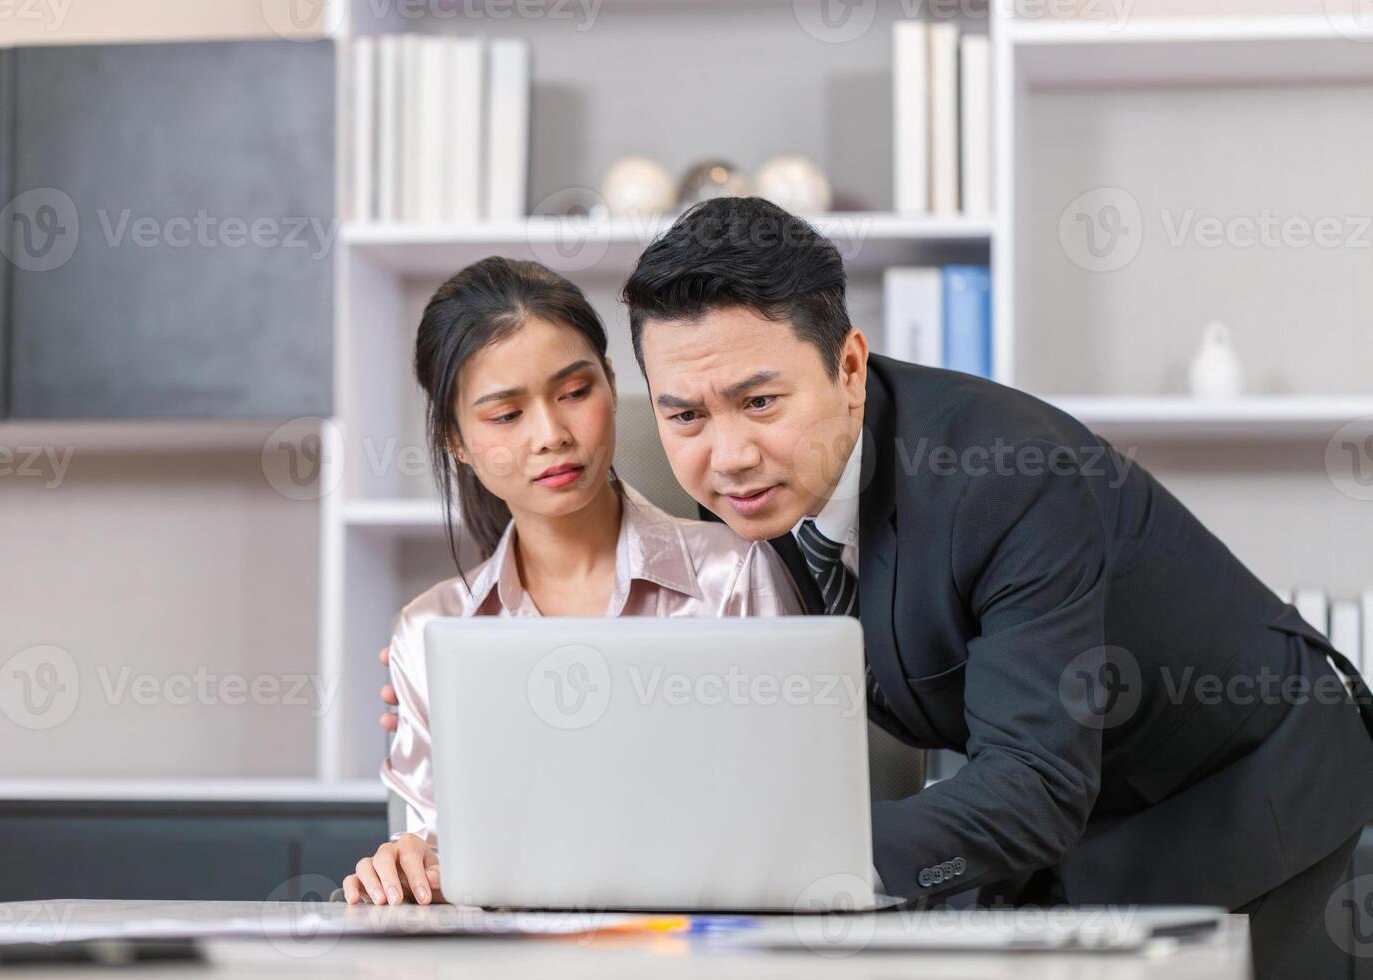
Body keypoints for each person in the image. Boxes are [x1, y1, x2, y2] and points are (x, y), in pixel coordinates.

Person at [608, 195, 1373, 979]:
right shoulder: (747, 479)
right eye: (687, 416)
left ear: (848, 368)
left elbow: (1037, 783)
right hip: (1070, 784)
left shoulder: (1007, 477)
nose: (728, 454)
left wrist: (793, 861)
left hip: (1248, 780)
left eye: (759, 402)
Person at [343, 256, 802, 907]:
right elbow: (444, 853)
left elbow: (788, 817)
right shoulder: (430, 630)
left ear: (613, 384)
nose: (552, 435)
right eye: (506, 415)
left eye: (574, 392)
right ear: (456, 439)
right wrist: (413, 863)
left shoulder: (733, 574)